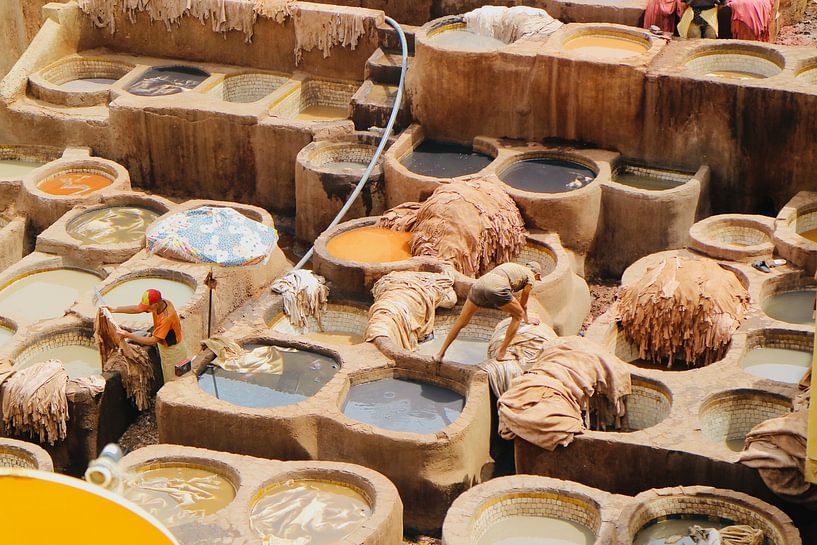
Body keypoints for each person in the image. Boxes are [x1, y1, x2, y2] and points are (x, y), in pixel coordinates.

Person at [434, 262, 542, 363]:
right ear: (537, 274)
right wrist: (527, 319)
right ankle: (501, 353)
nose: (536, 280)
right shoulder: (530, 276)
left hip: (479, 284)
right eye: (538, 278)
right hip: (497, 287)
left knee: (461, 321)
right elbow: (524, 304)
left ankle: (440, 353)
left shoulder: (514, 266)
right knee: (518, 315)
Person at [103, 289, 186, 382]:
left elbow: (152, 341)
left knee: (174, 379)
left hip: (173, 351)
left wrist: (128, 335)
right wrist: (114, 309)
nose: (145, 310)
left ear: (155, 305)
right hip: (164, 346)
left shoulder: (166, 318)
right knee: (167, 373)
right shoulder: (161, 303)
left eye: (148, 308)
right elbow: (137, 309)